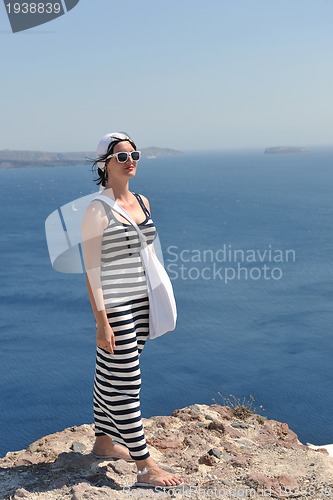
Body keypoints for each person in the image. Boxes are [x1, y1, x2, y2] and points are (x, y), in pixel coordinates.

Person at [82, 132, 184, 489]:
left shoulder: (143, 201)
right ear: (104, 165)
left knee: (110, 373)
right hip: (116, 307)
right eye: (121, 157)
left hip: (143, 303)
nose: (130, 161)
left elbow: (148, 254)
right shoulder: (97, 209)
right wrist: (102, 322)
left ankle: (103, 442)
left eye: (134, 154)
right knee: (128, 381)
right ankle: (145, 466)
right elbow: (91, 271)